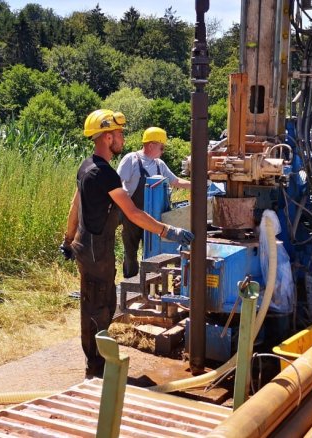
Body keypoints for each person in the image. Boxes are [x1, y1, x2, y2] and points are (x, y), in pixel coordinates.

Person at [60, 110, 194, 379]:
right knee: (98, 308)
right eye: (119, 133)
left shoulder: (86, 166)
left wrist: (67, 238)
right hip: (96, 251)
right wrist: (169, 231)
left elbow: (76, 205)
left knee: (105, 303)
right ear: (107, 136)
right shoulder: (105, 173)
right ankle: (95, 369)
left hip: (88, 247)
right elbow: (133, 213)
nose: (122, 138)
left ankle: (99, 361)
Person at [116, 127, 192, 279]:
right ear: (151, 145)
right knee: (130, 251)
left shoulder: (160, 164)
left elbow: (175, 181)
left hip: (153, 218)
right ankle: (130, 282)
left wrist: (197, 185)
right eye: (161, 147)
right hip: (132, 215)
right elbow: (118, 182)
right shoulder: (131, 159)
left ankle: (150, 283)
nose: (163, 151)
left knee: (152, 251)